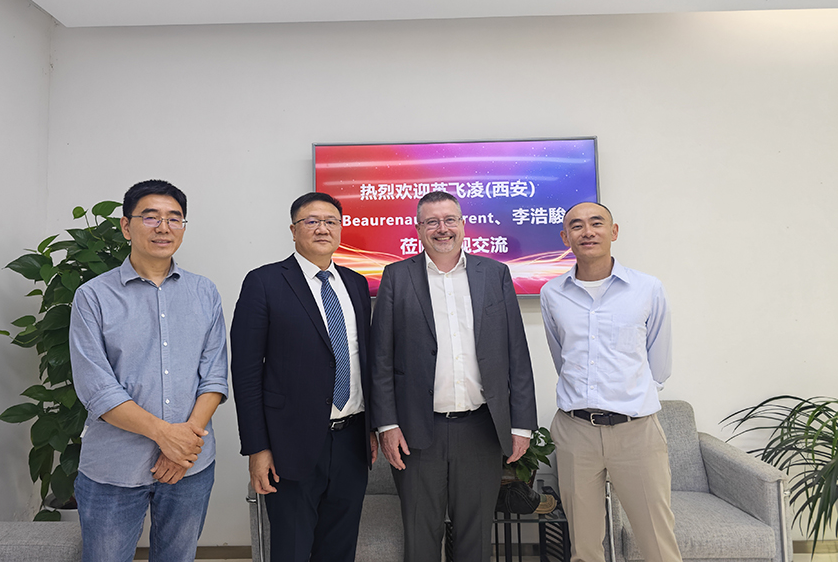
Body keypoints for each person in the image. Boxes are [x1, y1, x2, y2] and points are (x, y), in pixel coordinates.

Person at [371, 190, 537, 562]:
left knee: (475, 538)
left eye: (449, 220)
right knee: (420, 535)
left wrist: (522, 425)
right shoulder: (397, 276)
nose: (442, 229)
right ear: (418, 229)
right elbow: (381, 358)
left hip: (481, 428)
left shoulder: (493, 274)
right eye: (432, 222)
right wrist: (387, 425)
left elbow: (516, 353)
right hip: (417, 431)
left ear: (463, 224)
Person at [69, 179, 229, 562]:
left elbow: (214, 377)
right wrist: (165, 436)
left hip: (189, 466)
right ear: (126, 226)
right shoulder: (93, 297)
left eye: (174, 218)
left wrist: (181, 446)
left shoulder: (204, 292)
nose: (164, 228)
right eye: (151, 217)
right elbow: (97, 389)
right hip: (114, 468)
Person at [231, 191, 377, 562]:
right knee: (292, 550)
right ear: (294, 230)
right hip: (289, 445)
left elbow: (365, 361)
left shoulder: (356, 284)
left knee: (339, 549)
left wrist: (372, 429)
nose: (322, 228)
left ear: (340, 229)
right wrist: (257, 448)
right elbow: (246, 372)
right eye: (311, 221)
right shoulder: (264, 282)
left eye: (330, 221)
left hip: (352, 441)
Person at [540, 201, 682, 562]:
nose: (587, 232)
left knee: (658, 543)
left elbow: (659, 363)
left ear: (613, 231)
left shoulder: (647, 288)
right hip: (575, 432)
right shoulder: (552, 293)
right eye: (576, 226)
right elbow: (562, 357)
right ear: (565, 237)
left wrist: (629, 399)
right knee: (584, 547)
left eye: (596, 223)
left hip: (636, 432)